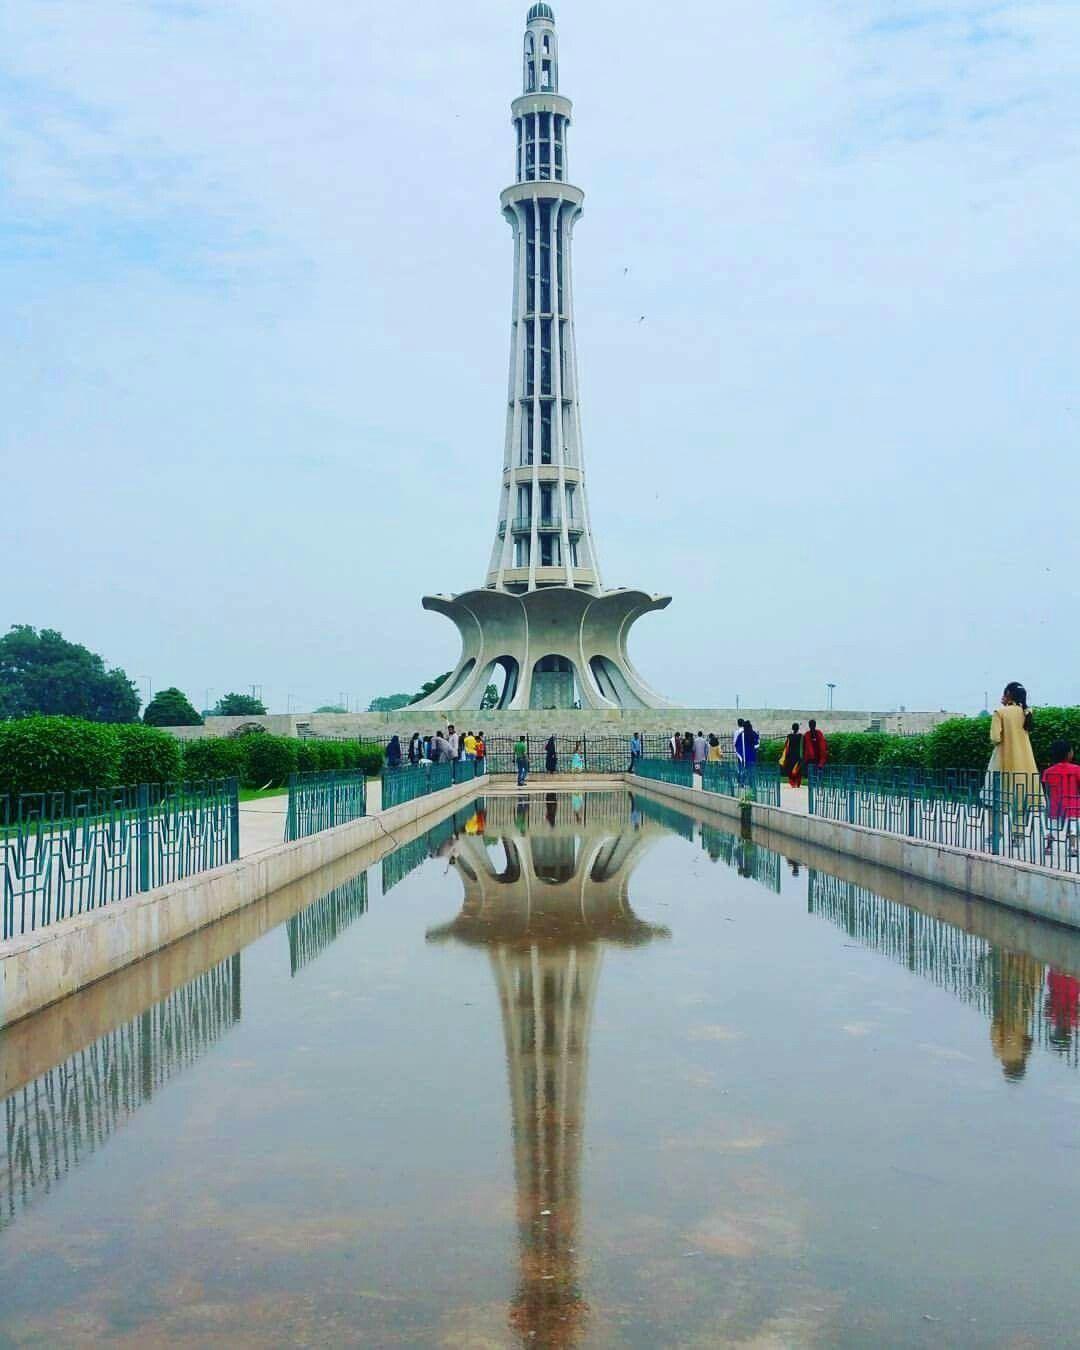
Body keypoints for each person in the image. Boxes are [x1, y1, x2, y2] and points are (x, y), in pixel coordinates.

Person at [991, 683, 1037, 777]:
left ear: (1008, 693)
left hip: (1005, 756)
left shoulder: (999, 712)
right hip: (1026, 758)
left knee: (1003, 783)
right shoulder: (1026, 712)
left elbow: (995, 739)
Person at [1042, 740, 1080, 856]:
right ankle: (1072, 848)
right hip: (1072, 804)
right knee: (1073, 826)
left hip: (1055, 805)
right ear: (1068, 754)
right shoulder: (1076, 769)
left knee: (1053, 827)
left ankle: (1048, 847)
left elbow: (1046, 788)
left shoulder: (1048, 771)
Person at [779, 722, 804, 788]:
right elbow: (803, 746)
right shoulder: (801, 736)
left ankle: (792, 783)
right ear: (798, 728)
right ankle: (797, 783)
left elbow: (786, 746)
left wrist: (784, 756)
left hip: (790, 755)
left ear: (792, 728)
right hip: (798, 755)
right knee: (798, 769)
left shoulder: (789, 736)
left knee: (790, 768)